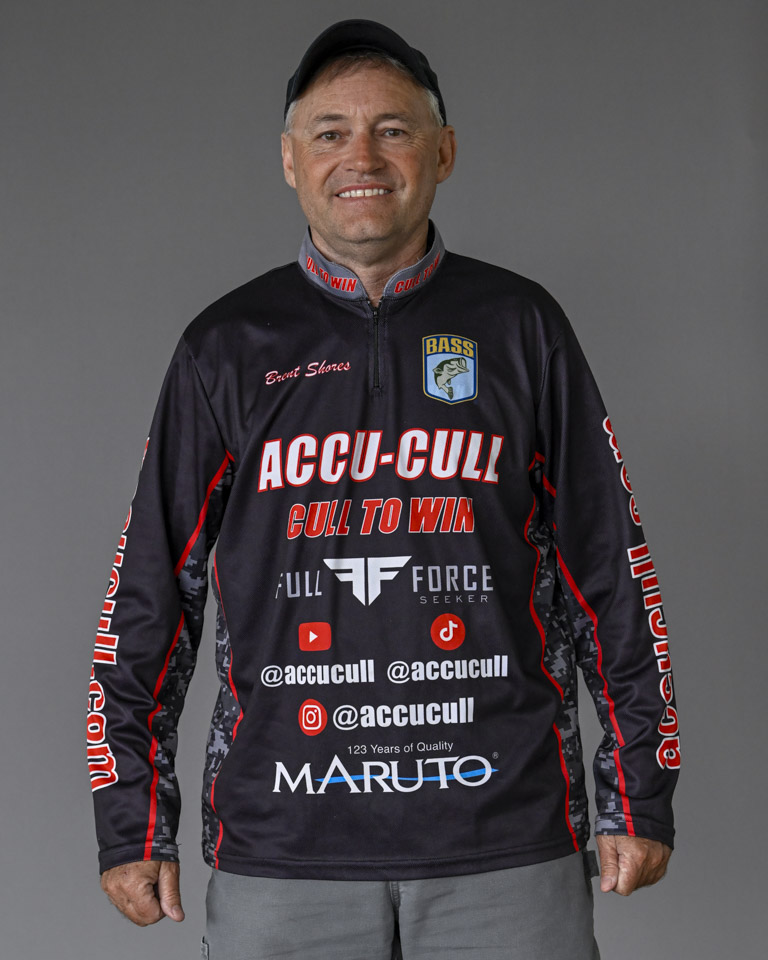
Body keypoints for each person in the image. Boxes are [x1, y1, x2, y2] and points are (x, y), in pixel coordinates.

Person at [88, 19, 679, 959]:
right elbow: (152, 593)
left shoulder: (522, 327)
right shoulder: (225, 347)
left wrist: (639, 787)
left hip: (507, 840)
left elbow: (611, 572)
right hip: (285, 848)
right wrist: (133, 816)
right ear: (291, 161)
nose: (361, 157)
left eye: (393, 130)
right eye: (330, 133)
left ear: (443, 152)